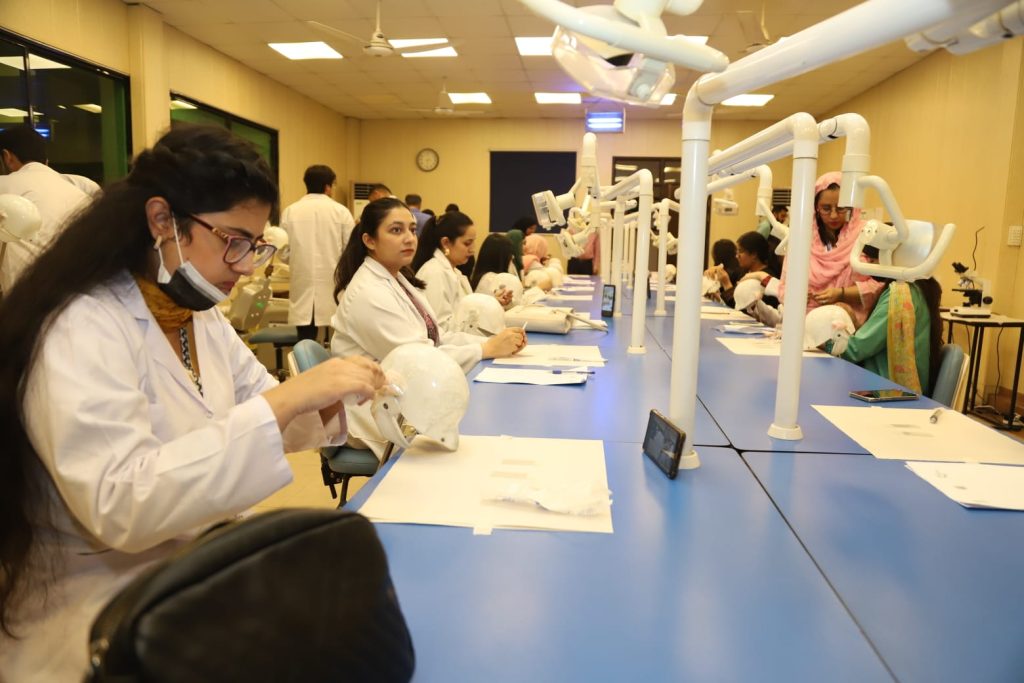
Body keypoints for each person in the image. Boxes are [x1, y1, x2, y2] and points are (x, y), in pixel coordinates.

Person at [0, 124, 387, 682]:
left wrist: (353, 395)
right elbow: (120, 504)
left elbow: (262, 406)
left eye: (255, 245)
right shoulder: (80, 322)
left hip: (188, 578)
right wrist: (288, 399)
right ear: (162, 220)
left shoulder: (195, 315)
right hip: (95, 614)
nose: (246, 265)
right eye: (233, 240)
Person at [330, 197, 526, 375]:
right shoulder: (368, 293)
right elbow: (418, 359)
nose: (409, 238)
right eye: (396, 230)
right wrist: (485, 349)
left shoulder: (397, 280)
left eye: (412, 230)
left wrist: (492, 342)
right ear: (370, 241)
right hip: (375, 398)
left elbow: (437, 337)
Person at [778, 171, 884, 326]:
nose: (834, 215)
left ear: (852, 207)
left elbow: (881, 285)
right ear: (816, 208)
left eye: (841, 208)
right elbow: (784, 286)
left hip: (851, 326)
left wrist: (842, 294)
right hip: (805, 324)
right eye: (826, 208)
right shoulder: (802, 240)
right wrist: (796, 295)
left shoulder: (867, 235)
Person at [0, 125, 89, 293]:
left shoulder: (4, 185)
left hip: (28, 295)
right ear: (46, 161)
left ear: (7, 157)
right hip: (84, 289)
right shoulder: (78, 187)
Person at [829, 278, 943, 395]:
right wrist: (856, 324)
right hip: (903, 390)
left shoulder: (901, 294)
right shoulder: (918, 289)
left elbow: (856, 350)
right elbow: (880, 336)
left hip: (892, 394)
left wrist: (825, 342)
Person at [281, 164, 355, 341]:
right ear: (328, 187)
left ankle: (305, 359)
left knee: (305, 339)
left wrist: (298, 260)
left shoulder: (290, 212)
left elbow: (283, 252)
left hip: (302, 281)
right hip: (334, 281)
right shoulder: (341, 212)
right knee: (338, 337)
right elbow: (351, 250)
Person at [412, 210, 479, 331]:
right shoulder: (434, 273)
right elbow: (440, 328)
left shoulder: (454, 272)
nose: (472, 249)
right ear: (446, 243)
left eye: (473, 242)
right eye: (467, 243)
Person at [707, 231, 780, 307]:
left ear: (754, 255)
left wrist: (726, 283)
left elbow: (742, 308)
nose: (737, 256)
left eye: (740, 251)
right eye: (737, 252)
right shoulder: (742, 272)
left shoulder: (766, 279)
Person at [471, 232, 516, 302]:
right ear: (500, 257)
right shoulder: (493, 279)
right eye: (509, 254)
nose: (512, 257)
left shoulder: (482, 276)